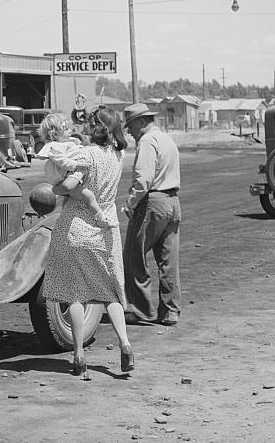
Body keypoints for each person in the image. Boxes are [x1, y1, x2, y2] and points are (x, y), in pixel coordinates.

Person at [41, 107, 134, 379]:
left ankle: (79, 354)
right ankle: (125, 344)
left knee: (75, 295)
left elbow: (68, 185)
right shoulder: (119, 155)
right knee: (112, 293)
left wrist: (56, 189)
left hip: (76, 228)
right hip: (107, 228)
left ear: (95, 128)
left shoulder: (85, 155)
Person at [121, 102, 182, 327]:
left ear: (141, 122)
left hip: (153, 202)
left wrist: (131, 202)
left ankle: (140, 310)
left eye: (130, 126)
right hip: (173, 201)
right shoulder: (166, 138)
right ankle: (170, 311)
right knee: (168, 260)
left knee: (133, 256)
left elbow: (144, 180)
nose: (129, 132)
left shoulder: (147, 142)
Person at [36, 112, 115, 228]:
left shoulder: (65, 142)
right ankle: (101, 219)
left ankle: (65, 218)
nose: (70, 131)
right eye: (65, 129)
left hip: (65, 177)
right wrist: (78, 164)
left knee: (69, 199)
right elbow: (63, 162)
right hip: (62, 178)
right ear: (54, 135)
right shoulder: (54, 147)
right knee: (89, 196)